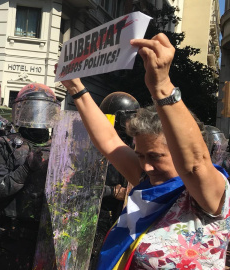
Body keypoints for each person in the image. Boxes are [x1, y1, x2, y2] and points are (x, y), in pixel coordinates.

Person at [60, 33, 230, 269]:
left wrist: (161, 86)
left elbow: (195, 165)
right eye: (140, 155)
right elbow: (110, 142)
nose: (146, 166)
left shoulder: (208, 196)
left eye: (156, 156)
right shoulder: (150, 184)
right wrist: (75, 87)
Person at [0, 83, 60, 270]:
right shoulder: (4, 144)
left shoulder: (60, 147)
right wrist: (25, 169)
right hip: (11, 238)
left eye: (43, 110)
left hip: (47, 235)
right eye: (32, 110)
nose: (38, 116)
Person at [90, 92, 139, 269]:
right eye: (130, 118)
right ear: (117, 118)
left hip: (124, 218)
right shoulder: (93, 149)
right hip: (97, 219)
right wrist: (113, 192)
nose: (133, 123)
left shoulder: (137, 147)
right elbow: (79, 186)